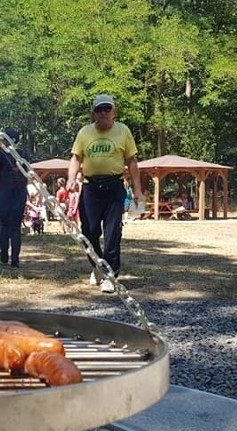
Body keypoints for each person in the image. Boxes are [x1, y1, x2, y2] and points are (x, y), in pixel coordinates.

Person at [67, 94, 144, 293]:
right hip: (90, 187)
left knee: (112, 233)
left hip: (114, 187)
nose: (103, 113)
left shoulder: (123, 131)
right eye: (99, 110)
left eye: (107, 109)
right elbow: (76, 158)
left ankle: (111, 276)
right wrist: (71, 179)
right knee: (89, 232)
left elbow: (132, 161)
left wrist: (137, 189)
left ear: (114, 112)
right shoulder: (85, 133)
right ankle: (97, 266)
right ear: (93, 113)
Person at [0, 129, 28, 268]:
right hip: (19, 195)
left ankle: (4, 255)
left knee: (4, 225)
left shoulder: (0, 155)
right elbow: (29, 175)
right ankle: (15, 260)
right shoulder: (24, 155)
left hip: (4, 194)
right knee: (16, 227)